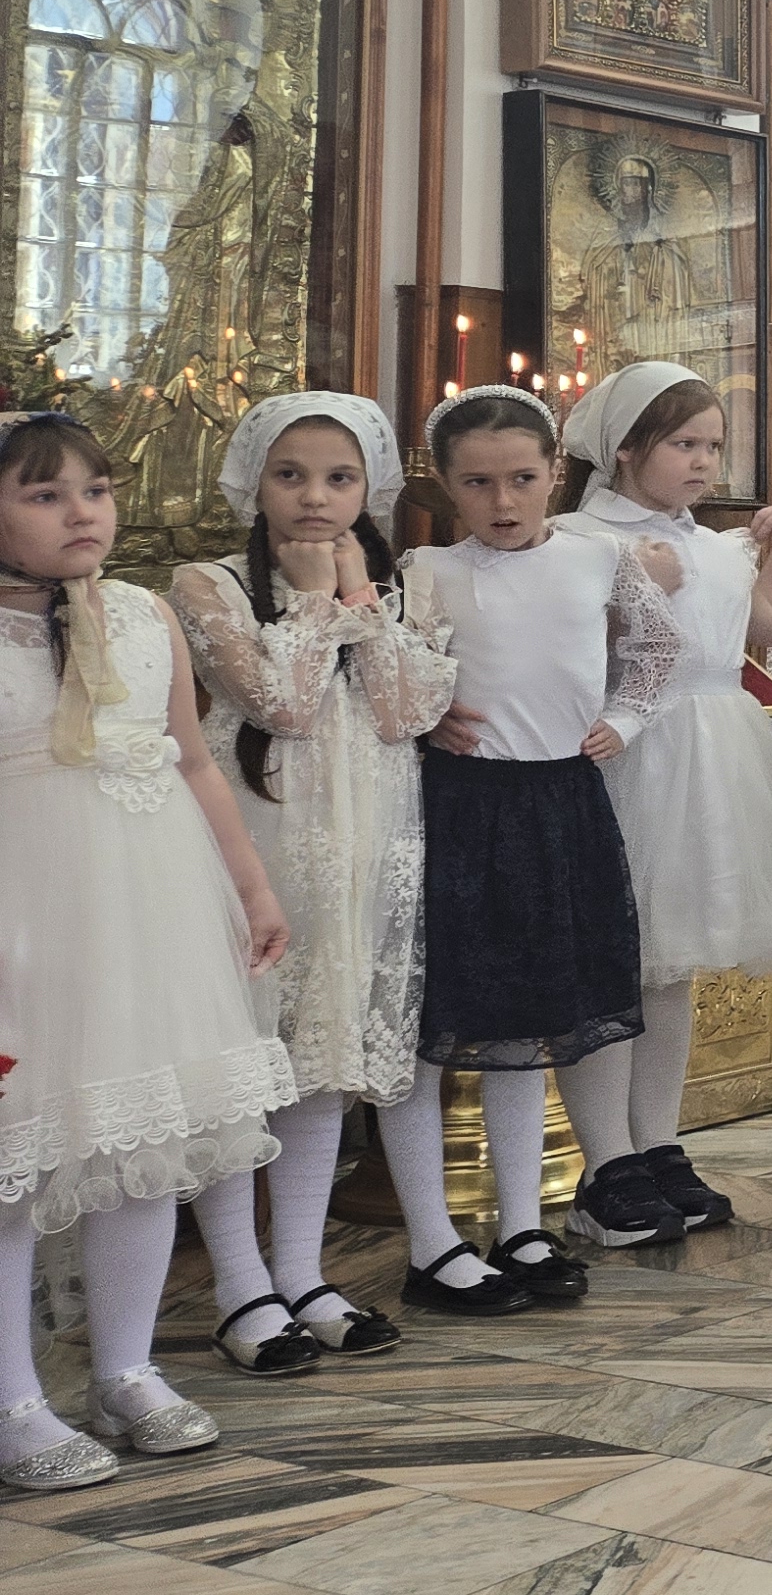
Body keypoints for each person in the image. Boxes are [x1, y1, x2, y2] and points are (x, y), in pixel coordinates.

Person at [0, 412, 295, 1488]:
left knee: (144, 1141)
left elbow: (192, 762)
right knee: (16, 1160)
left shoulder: (141, 614)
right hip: (26, 925)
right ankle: (13, 1400)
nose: (82, 512)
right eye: (44, 495)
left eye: (95, 489)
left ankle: (126, 1370)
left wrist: (249, 888)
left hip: (150, 919)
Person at [171, 396, 458, 1373]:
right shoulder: (208, 583)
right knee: (243, 1066)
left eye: (339, 478)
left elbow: (406, 712)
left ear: (370, 487)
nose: (314, 497)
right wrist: (307, 603)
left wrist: (360, 603)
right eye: (289, 474)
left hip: (367, 851)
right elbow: (281, 706)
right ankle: (239, 1285)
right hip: (259, 852)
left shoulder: (401, 586)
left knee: (322, 1067)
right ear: (253, 481)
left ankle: (301, 1273)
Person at [400, 387, 679, 1316]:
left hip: (562, 801)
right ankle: (433, 1238)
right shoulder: (426, 570)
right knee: (442, 1016)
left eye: (522, 478)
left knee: (530, 1021)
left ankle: (522, 1223)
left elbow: (655, 644)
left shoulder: (598, 557)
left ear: (556, 473)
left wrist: (625, 719)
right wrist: (428, 716)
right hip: (461, 808)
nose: (503, 501)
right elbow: (394, 676)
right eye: (477, 483)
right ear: (445, 485)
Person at [557, 361, 772, 1249]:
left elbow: (766, 629)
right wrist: (627, 587)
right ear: (625, 447)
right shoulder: (577, 537)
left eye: (714, 446)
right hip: (628, 754)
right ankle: (605, 1163)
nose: (704, 462)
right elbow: (560, 638)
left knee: (673, 964)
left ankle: (658, 1143)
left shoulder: (715, 544)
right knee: (615, 967)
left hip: (713, 757)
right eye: (684, 443)